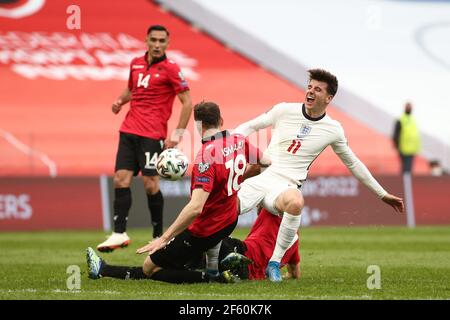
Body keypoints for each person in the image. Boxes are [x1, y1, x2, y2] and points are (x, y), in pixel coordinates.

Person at [232, 69, 404, 282]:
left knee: (296, 203)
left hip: (286, 187)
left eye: (318, 89)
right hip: (263, 177)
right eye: (310, 87)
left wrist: (382, 194)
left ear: (328, 98)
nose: (310, 92)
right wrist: (227, 143)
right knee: (226, 211)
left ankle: (274, 264)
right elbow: (250, 125)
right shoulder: (284, 110)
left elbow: (354, 163)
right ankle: (200, 253)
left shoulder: (333, 129)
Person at [87, 101, 268, 284]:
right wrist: (239, 178)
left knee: (150, 268)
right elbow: (265, 161)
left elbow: (196, 208)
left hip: (205, 229)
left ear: (199, 126)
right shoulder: (238, 141)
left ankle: (214, 278)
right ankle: (214, 267)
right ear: (221, 120)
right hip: (229, 220)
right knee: (190, 257)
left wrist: (165, 238)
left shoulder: (206, 157)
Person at [97, 25, 193, 252]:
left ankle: (159, 236)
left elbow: (187, 102)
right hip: (128, 130)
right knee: (120, 179)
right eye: (153, 40)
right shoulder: (136, 64)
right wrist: (120, 101)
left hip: (152, 134)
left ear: (168, 43)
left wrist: (178, 134)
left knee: (151, 185)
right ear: (146, 40)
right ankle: (119, 233)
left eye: (162, 41)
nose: (157, 44)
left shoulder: (171, 69)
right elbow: (133, 89)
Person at [219, 208, 300, 280]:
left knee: (213, 239)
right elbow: (295, 273)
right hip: (251, 275)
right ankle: (228, 272)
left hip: (244, 252)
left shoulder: (272, 209)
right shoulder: (294, 240)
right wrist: (287, 274)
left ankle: (218, 267)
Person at [393, 102, 421, 174]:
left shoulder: (412, 119)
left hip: (412, 148)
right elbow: (396, 133)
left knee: (408, 168)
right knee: (406, 168)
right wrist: (396, 145)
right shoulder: (401, 119)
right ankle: (404, 183)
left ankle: (406, 182)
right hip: (403, 147)